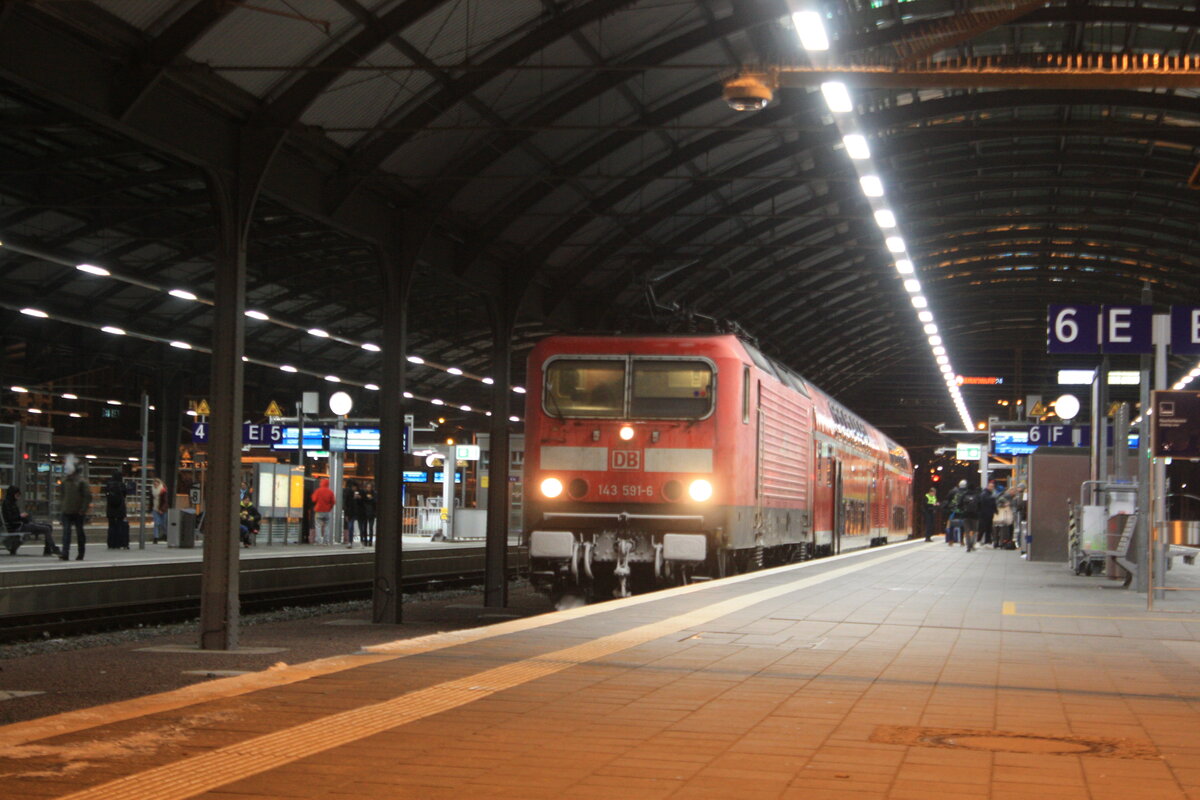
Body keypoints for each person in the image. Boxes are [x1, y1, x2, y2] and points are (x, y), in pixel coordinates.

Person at [2, 485, 58, 556]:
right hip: (18, 526)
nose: (18, 497)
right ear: (12, 494)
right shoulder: (8, 504)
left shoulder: (12, 503)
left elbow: (14, 517)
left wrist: (22, 516)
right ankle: (53, 548)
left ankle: (48, 549)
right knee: (46, 529)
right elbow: (11, 519)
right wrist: (21, 516)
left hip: (20, 524)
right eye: (17, 495)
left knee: (49, 526)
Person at [59, 456, 91, 561]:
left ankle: (80, 552)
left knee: (79, 533)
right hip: (67, 511)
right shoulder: (65, 482)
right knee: (66, 533)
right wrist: (62, 508)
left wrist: (83, 509)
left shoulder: (81, 482)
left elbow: (87, 497)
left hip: (78, 512)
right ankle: (65, 553)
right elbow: (62, 496)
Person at [948, 479, 981, 552]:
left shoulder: (964, 495)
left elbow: (959, 505)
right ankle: (972, 544)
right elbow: (980, 505)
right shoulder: (977, 495)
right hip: (975, 516)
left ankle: (968, 546)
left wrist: (963, 510)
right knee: (975, 531)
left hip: (966, 515)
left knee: (967, 531)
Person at [103, 468, 130, 549]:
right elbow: (125, 495)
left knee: (111, 526)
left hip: (110, 508)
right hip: (120, 508)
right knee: (119, 526)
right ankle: (118, 543)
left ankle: (111, 543)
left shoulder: (108, 484)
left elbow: (106, 495)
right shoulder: (122, 485)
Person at [311, 478, 335, 545]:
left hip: (318, 510)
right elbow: (333, 502)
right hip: (327, 511)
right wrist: (330, 508)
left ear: (321, 483)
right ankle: (326, 541)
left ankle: (319, 541)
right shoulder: (330, 492)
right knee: (327, 526)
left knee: (318, 526)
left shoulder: (318, 491)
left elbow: (313, 499)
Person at [979, 480, 998, 547]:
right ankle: (980, 540)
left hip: (988, 513)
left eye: (993, 486)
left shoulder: (989, 494)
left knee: (988, 528)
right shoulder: (985, 494)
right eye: (991, 486)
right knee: (984, 528)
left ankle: (986, 541)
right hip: (985, 514)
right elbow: (988, 503)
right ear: (987, 486)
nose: (992, 488)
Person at [151, 477, 169, 544]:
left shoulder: (163, 491)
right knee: (156, 523)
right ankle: (155, 537)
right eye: (154, 484)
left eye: (156, 484)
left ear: (159, 484)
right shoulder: (152, 490)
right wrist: (150, 508)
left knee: (163, 524)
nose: (155, 485)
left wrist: (162, 509)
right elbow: (151, 500)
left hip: (163, 510)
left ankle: (165, 535)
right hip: (155, 509)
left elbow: (165, 501)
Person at [343, 480, 360, 548]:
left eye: (355, 487)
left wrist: (359, 498)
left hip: (356, 513)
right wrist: (346, 514)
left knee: (355, 527)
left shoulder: (359, 493)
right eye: (353, 487)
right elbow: (346, 505)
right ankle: (350, 541)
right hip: (351, 513)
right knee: (350, 527)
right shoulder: (348, 494)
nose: (354, 488)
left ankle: (353, 541)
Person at [360, 482, 376, 547]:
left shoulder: (374, 494)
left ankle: (370, 541)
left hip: (372, 513)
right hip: (365, 513)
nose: (369, 488)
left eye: (370, 487)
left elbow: (376, 502)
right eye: (368, 487)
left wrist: (372, 498)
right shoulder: (364, 494)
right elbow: (362, 501)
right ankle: (365, 540)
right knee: (365, 528)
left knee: (371, 528)